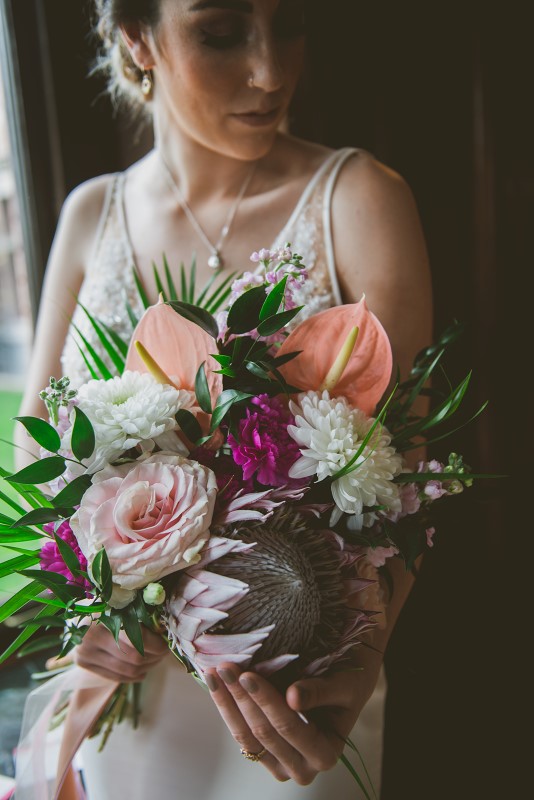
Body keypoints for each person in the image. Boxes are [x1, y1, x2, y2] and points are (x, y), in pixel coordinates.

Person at [15, 0, 432, 796]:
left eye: (294, 22)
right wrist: (84, 615)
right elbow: (36, 454)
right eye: (220, 31)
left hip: (292, 688)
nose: (273, 72)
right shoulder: (86, 218)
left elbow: (406, 471)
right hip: (127, 689)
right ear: (138, 36)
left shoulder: (358, 198)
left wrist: (366, 651)